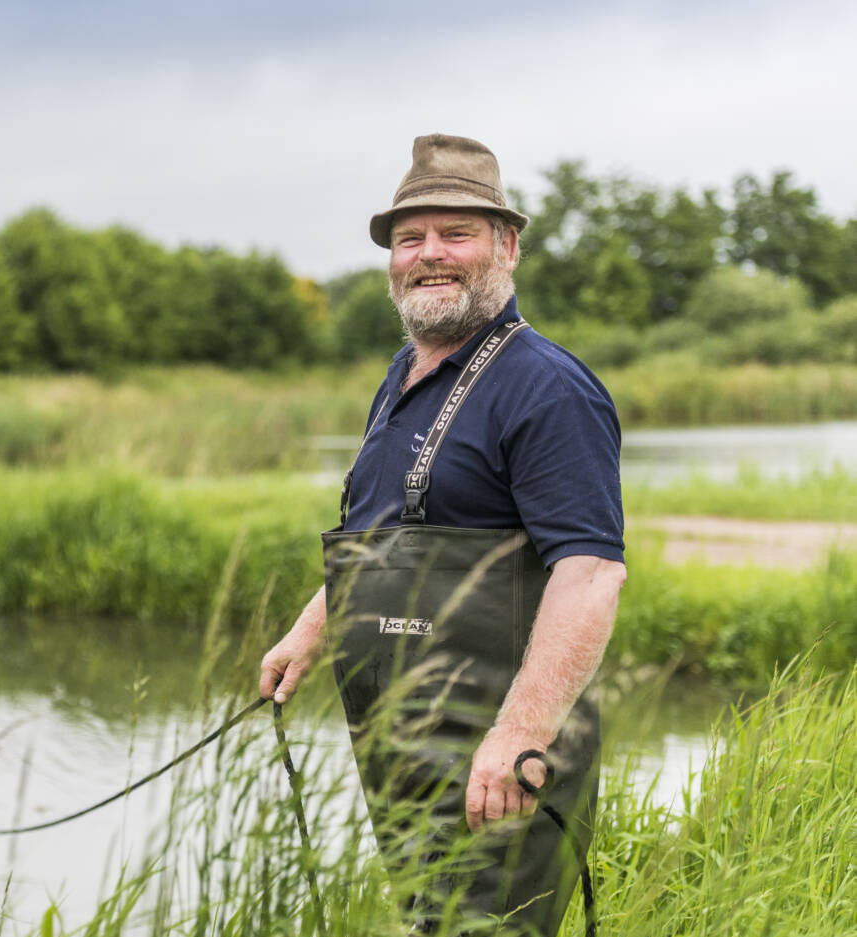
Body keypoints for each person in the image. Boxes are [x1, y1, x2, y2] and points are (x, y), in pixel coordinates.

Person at [258, 134, 627, 936]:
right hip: (403, 746)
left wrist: (520, 733)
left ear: (506, 244)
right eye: (409, 238)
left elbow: (591, 574)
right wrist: (311, 628)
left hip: (500, 755)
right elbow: (386, 532)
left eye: (455, 233)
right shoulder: (403, 375)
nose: (430, 255)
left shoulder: (548, 387)